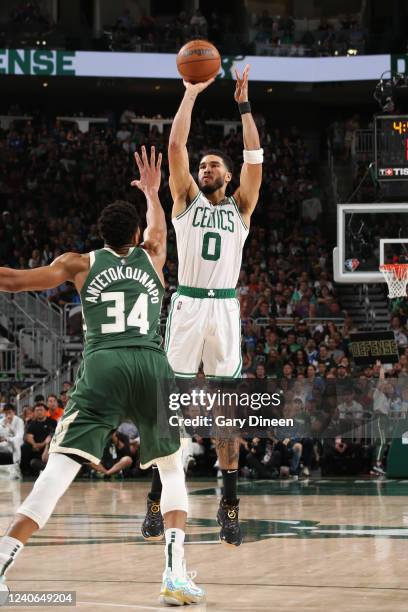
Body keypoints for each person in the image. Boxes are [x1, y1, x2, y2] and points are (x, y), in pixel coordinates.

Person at [0, 147, 204, 606]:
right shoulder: (153, 256)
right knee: (173, 470)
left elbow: (13, 281)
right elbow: (158, 227)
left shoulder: (80, 263)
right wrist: (152, 192)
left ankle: (2, 560)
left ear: (100, 234)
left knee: (57, 473)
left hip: (104, 365)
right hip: (152, 365)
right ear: (134, 234)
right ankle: (174, 574)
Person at [143, 66, 263, 547]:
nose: (205, 169)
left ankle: (229, 502)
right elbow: (176, 149)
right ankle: (157, 496)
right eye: (204, 165)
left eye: (214, 165)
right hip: (188, 306)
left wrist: (244, 106)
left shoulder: (242, 207)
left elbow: (255, 155)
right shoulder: (186, 201)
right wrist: (190, 94)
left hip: (225, 311)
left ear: (228, 177)